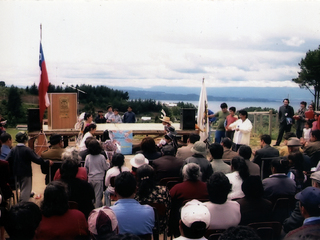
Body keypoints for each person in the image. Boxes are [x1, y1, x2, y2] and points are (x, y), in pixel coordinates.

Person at [5, 132, 52, 202]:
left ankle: (20, 201)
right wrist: (47, 163)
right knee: (26, 189)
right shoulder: (27, 150)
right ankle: (23, 204)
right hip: (26, 172)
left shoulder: (13, 150)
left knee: (21, 188)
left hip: (16, 172)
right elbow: (36, 159)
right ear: (25, 140)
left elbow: (6, 160)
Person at [169, 163, 209, 237]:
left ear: (184, 174)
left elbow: (169, 201)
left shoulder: (177, 188)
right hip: (204, 223)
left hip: (181, 223)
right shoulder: (207, 187)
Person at [58, 148, 95, 219]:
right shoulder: (85, 185)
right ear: (76, 170)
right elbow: (92, 199)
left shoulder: (57, 186)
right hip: (83, 215)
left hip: (62, 216)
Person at [135, 164, 171, 233]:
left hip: (142, 226)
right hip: (161, 226)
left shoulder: (136, 193)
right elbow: (168, 207)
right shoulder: (163, 190)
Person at [85, 139, 110, 208]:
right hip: (99, 179)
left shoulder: (88, 157)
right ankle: (97, 210)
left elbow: (86, 168)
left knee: (91, 196)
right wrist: (108, 162)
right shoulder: (101, 157)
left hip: (90, 178)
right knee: (98, 196)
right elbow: (105, 167)